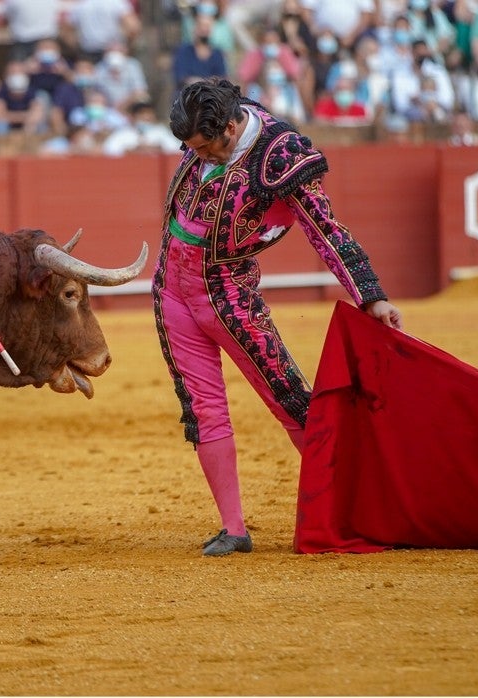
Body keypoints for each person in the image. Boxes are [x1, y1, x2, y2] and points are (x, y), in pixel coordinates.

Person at [154, 77, 402, 557]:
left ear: (230, 127)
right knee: (202, 406)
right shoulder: (208, 127)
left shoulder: (282, 154)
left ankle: (362, 510)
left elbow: (324, 228)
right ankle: (233, 528)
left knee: (289, 397)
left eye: (206, 149)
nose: (198, 157)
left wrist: (370, 295)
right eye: (192, 150)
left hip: (228, 294)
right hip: (172, 289)